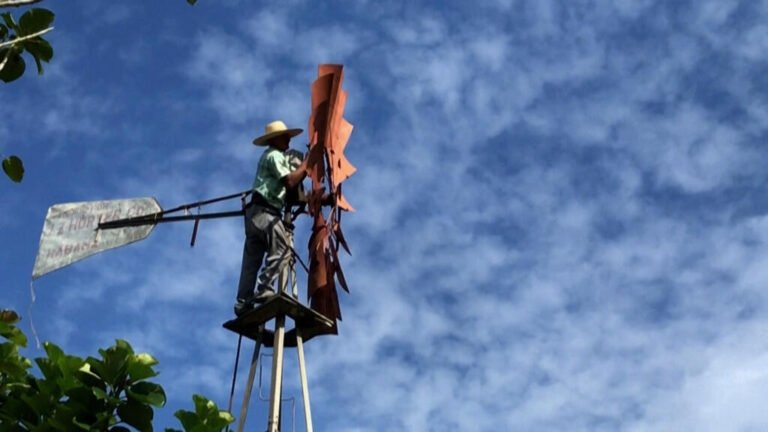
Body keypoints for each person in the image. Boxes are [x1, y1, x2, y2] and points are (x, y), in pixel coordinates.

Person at [235, 120, 307, 316]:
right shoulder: (274, 156)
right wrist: (308, 165)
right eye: (286, 137)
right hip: (265, 213)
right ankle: (265, 289)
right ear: (275, 139)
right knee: (283, 249)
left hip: (255, 214)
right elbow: (291, 182)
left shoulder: (273, 157)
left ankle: (243, 302)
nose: (289, 141)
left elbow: (295, 191)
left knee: (252, 261)